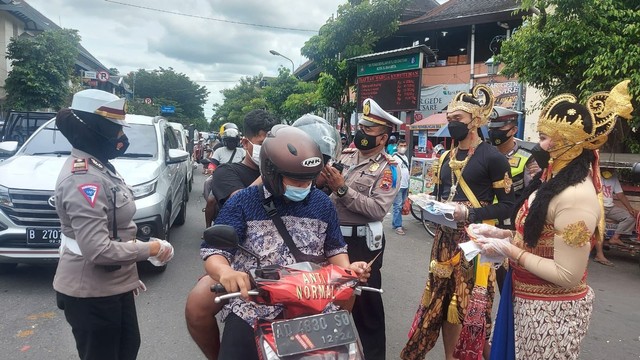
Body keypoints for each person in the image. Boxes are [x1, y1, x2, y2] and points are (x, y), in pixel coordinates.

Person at [476, 80, 633, 359]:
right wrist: (500, 236)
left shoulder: (576, 196)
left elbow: (568, 274)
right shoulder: (549, 180)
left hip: (550, 311)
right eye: (541, 135)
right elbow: (536, 237)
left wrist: (510, 251)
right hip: (524, 299)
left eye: (549, 138)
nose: (541, 144)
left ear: (571, 145)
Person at [202, 125, 371, 360]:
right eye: (295, 181)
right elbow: (215, 250)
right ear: (271, 172)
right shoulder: (243, 201)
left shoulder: (322, 204)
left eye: (308, 180)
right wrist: (225, 272)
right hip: (253, 307)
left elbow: (335, 249)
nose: (304, 187)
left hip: (313, 306)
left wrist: (348, 269)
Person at [53, 89, 174, 360]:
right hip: (92, 294)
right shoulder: (84, 179)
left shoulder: (100, 167)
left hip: (112, 286)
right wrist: (151, 248)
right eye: (115, 130)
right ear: (94, 130)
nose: (121, 138)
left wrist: (127, 279)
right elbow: (98, 250)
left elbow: (115, 231)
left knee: (127, 349)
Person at [401, 85, 515, 360]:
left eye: (458, 120)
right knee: (441, 305)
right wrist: (425, 201)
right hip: (443, 242)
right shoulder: (444, 157)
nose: (452, 125)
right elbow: (440, 196)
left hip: (475, 245)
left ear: (475, 121)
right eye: (450, 119)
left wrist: (471, 214)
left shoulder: (494, 158)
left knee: (469, 309)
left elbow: (509, 206)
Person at [186, 109, 277, 359]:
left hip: (284, 256)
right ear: (246, 143)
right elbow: (240, 202)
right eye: (261, 144)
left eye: (272, 144)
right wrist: (268, 173)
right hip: (241, 259)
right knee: (197, 304)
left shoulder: (288, 171)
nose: (268, 150)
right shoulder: (228, 172)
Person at [321, 97, 402, 360]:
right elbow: (327, 192)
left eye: (368, 130)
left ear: (383, 138)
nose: (361, 132)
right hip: (331, 239)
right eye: (361, 126)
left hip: (362, 244)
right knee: (328, 299)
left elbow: (377, 209)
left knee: (366, 308)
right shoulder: (344, 154)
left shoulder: (390, 168)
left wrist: (342, 189)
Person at [488, 106, 538, 291]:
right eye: (491, 129)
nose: (494, 133)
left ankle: (505, 319)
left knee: (506, 283)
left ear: (513, 130)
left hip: (508, 228)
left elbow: (532, 194)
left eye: (499, 129)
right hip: (482, 223)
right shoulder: (483, 153)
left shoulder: (527, 158)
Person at [593, 168, 639, 266]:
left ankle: (615, 238)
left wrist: (630, 208)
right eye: (608, 167)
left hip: (610, 207)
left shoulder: (614, 178)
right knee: (600, 229)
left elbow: (620, 195)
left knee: (629, 217)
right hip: (597, 207)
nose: (609, 170)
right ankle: (599, 255)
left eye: (611, 168)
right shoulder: (594, 175)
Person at [392, 139, 410, 235]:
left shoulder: (405, 157)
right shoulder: (394, 158)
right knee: (397, 206)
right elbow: (392, 172)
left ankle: (396, 223)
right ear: (397, 146)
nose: (403, 147)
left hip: (405, 185)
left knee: (401, 204)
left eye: (404, 145)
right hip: (398, 186)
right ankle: (398, 226)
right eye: (401, 145)